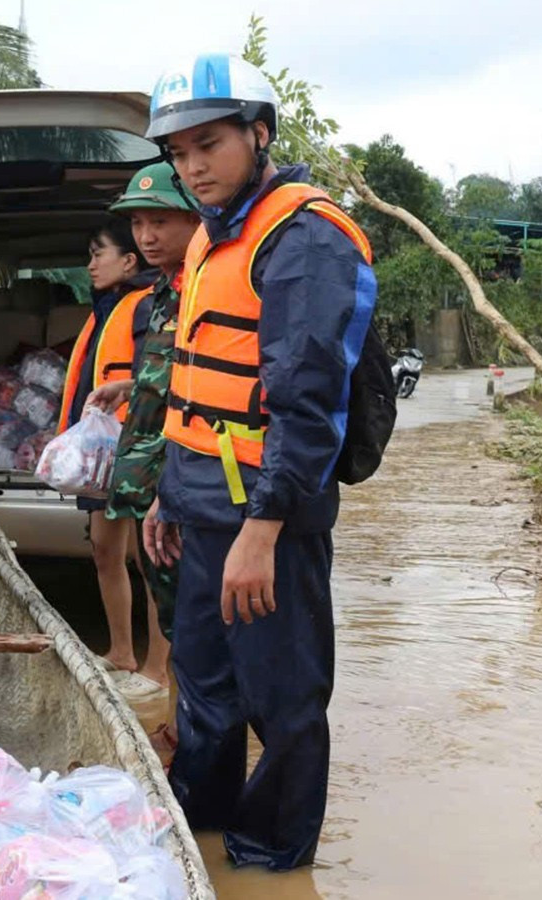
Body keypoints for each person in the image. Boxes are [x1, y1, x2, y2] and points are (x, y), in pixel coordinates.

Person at [140, 53, 377, 871]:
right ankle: (198, 838)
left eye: (208, 143)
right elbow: (197, 389)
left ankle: (272, 864)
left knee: (283, 700)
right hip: (202, 506)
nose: (192, 165)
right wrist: (168, 495)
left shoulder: (304, 236)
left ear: (260, 133)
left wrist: (264, 529)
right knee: (204, 685)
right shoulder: (213, 236)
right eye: (177, 153)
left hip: (264, 517)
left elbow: (307, 401)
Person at [86, 163, 201, 700]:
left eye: (160, 222)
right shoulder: (162, 291)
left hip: (182, 465)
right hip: (145, 461)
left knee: (179, 587)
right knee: (157, 572)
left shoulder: (206, 286)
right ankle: (167, 696)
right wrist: (131, 386)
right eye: (138, 223)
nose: (147, 236)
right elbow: (176, 368)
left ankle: (164, 685)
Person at [58, 216, 159, 698]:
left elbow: (157, 377)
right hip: (103, 456)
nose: (90, 263)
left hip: (138, 450)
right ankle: (121, 650)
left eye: (99, 253)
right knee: (104, 548)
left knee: (151, 559)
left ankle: (159, 667)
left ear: (129, 260)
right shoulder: (105, 308)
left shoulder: (146, 307)